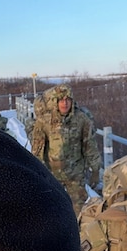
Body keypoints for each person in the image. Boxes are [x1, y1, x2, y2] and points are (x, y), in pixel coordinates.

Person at [30, 83, 101, 214]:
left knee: (78, 212)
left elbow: (89, 145)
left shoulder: (81, 119)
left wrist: (95, 170)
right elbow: (37, 149)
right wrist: (36, 172)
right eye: (61, 100)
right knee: (52, 209)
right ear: (55, 101)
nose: (65, 103)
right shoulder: (45, 121)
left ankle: (77, 234)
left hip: (75, 174)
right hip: (52, 174)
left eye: (68, 99)